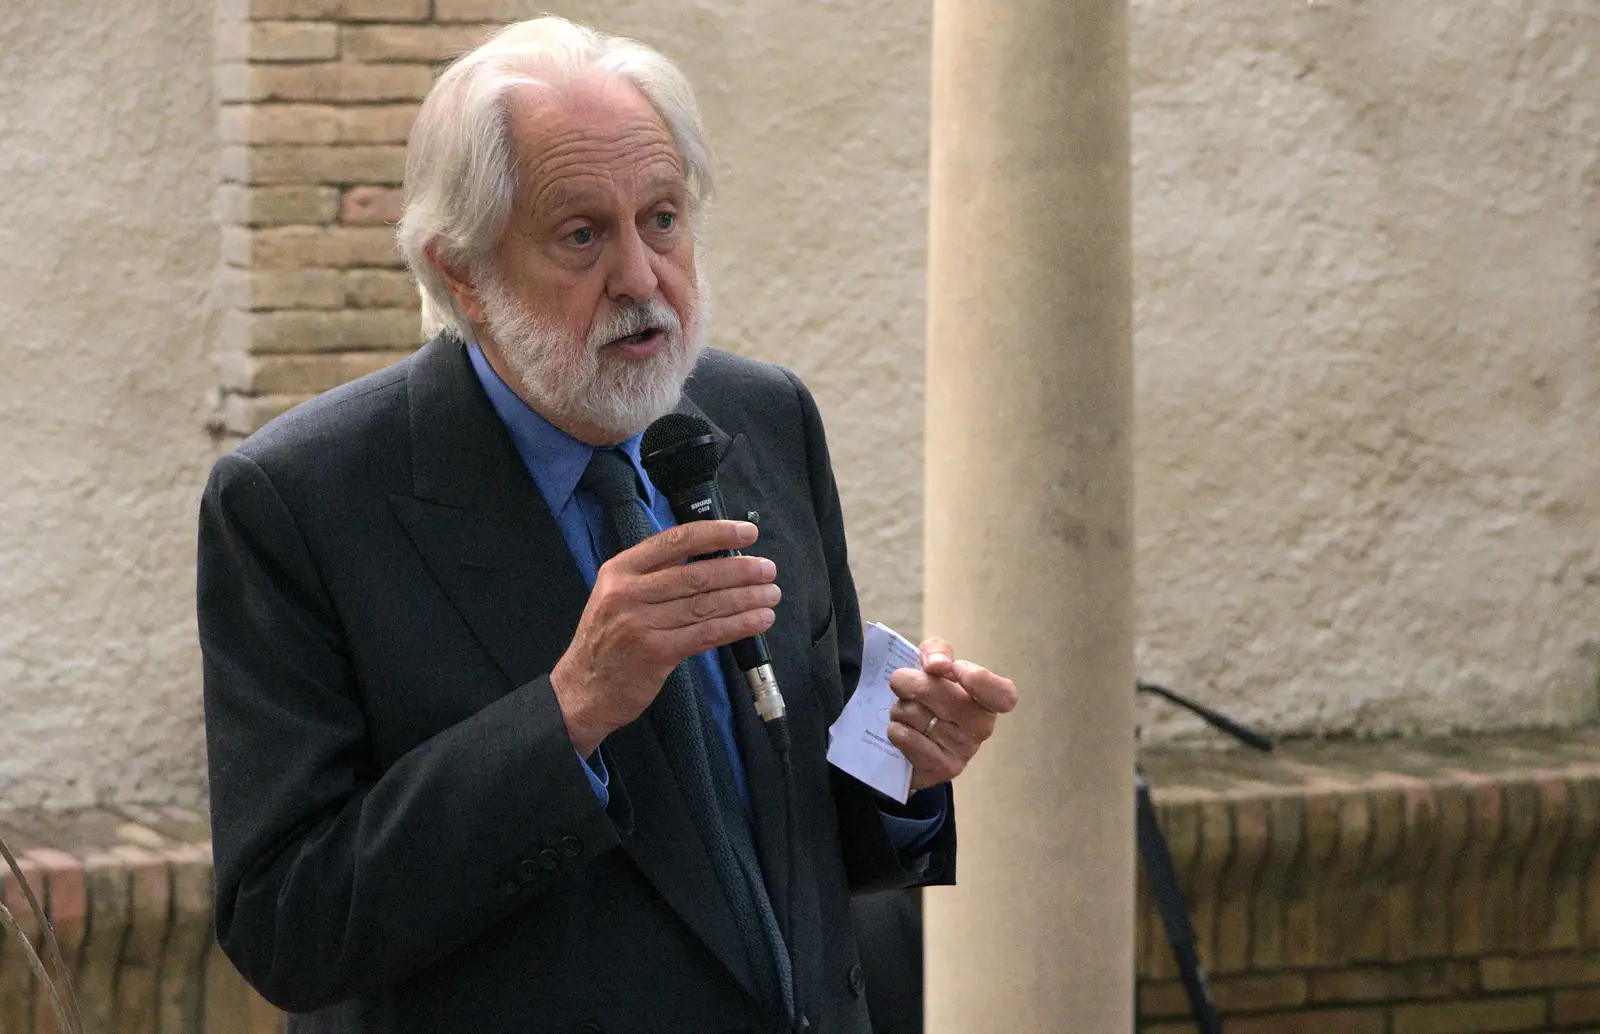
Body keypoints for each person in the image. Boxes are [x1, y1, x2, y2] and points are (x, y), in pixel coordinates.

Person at [198, 17, 1017, 1034]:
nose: (641, 277)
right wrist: (570, 708)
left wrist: (906, 761)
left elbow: (806, 830)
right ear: (463, 272)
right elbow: (290, 925)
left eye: (662, 218)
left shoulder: (761, 418)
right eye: (582, 234)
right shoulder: (301, 500)